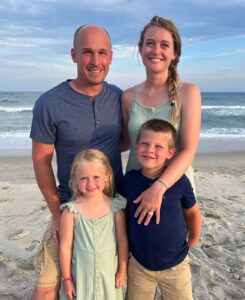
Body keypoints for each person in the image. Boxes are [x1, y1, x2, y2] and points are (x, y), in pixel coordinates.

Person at [30, 24, 123, 299]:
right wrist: (57, 212)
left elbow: (130, 141)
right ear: (73, 55)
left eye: (102, 53)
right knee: (46, 287)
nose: (96, 61)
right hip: (70, 206)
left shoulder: (119, 97)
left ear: (111, 56)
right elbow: (41, 160)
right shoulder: (49, 103)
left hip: (113, 206)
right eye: (87, 53)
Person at [121, 16, 201, 226]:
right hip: (135, 186)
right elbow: (122, 143)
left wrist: (159, 187)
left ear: (174, 54)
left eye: (164, 45)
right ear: (141, 50)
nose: (156, 50)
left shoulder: (189, 93)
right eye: (150, 43)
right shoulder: (128, 96)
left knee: (172, 249)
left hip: (174, 188)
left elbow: (188, 150)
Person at [120, 119, 201, 299]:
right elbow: (124, 216)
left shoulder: (179, 181)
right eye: (145, 144)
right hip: (139, 265)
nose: (150, 150)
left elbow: (192, 212)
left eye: (158, 146)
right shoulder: (128, 181)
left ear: (170, 153)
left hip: (176, 267)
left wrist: (193, 238)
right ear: (136, 146)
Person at [59, 149, 128, 300]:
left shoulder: (116, 208)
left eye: (96, 177)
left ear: (107, 176)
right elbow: (65, 247)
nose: (90, 183)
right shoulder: (71, 211)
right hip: (81, 279)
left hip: (108, 278)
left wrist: (122, 271)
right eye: (84, 178)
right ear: (75, 179)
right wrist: (67, 280)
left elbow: (122, 241)